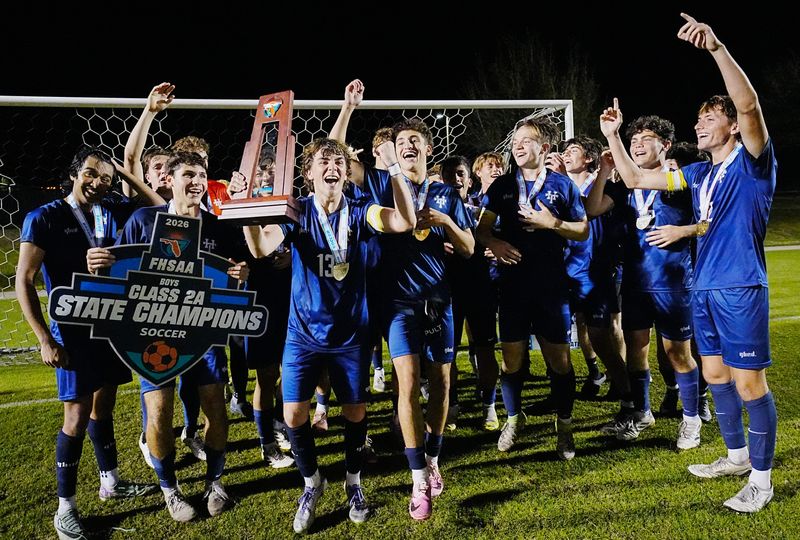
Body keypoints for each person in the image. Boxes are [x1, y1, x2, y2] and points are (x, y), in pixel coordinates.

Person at [599, 13, 778, 512]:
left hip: (740, 286)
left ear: (731, 127)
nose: (698, 123)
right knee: (716, 376)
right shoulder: (697, 173)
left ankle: (761, 481)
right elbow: (636, 181)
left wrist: (717, 48)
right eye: (698, 117)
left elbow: (749, 105)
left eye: (708, 117)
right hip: (703, 286)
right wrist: (613, 137)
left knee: (748, 383)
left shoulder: (753, 160)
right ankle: (736, 456)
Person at [244, 137, 416, 533]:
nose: (333, 166)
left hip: (350, 335)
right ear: (309, 174)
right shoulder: (296, 211)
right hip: (302, 334)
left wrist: (393, 169)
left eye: (338, 160)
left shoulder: (361, 210)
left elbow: (405, 221)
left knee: (355, 412)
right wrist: (249, 212)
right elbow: (261, 247)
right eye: (324, 161)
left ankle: (353, 483)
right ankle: (311, 482)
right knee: (292, 414)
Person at [331, 79, 475, 521]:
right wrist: (348, 108)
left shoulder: (447, 193)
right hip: (395, 303)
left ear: (428, 150)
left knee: (443, 383)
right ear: (392, 151)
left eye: (415, 140)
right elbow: (333, 159)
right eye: (400, 142)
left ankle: (433, 456)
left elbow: (469, 248)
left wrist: (448, 222)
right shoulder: (378, 181)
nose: (407, 145)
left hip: (439, 301)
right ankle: (417, 478)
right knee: (408, 383)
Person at [87, 151, 249, 521]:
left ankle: (215, 482)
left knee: (215, 407)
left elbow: (239, 269)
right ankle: (170, 490)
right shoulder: (145, 220)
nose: (195, 181)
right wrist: (98, 262)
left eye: (202, 174)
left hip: (203, 335)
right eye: (188, 174)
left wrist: (242, 272)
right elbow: (116, 266)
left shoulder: (217, 227)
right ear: (170, 181)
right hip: (151, 336)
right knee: (159, 413)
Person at [17, 146, 163, 540]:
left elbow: (160, 207)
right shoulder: (44, 217)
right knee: (76, 417)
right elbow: (24, 280)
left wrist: (126, 175)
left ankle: (110, 481)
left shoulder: (114, 208)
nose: (98, 183)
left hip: (110, 325)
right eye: (91, 174)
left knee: (105, 407)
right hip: (71, 331)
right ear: (74, 173)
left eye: (105, 178)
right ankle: (65, 509)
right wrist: (44, 338)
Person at [476, 117, 589, 460]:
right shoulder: (502, 186)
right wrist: (493, 243)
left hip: (551, 287)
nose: (518, 145)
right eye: (515, 139)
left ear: (544, 148)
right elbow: (481, 230)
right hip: (512, 286)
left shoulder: (563, 186)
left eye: (527, 140)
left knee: (559, 360)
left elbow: (582, 230)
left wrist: (552, 223)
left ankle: (565, 426)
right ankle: (514, 418)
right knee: (511, 361)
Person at [588, 114, 703, 450]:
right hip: (636, 283)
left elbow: (710, 221)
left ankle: (692, 418)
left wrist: (683, 230)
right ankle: (642, 413)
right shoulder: (625, 185)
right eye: (633, 139)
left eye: (645, 138)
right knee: (636, 350)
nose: (637, 144)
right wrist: (607, 170)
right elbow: (593, 208)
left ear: (665, 145)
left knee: (677, 354)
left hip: (673, 282)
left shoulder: (680, 180)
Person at [560, 136, 627, 401]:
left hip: (596, 271)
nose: (565, 154)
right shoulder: (558, 187)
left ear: (589, 158)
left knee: (607, 331)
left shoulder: (609, 187)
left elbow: (589, 210)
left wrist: (603, 172)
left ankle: (624, 387)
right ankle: (588, 379)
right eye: (564, 151)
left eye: (573, 150)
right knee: (570, 330)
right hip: (565, 269)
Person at [440, 155, 499, 431]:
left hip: (479, 287)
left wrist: (493, 247)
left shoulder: (483, 207)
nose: (456, 179)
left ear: (470, 178)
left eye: (460, 174)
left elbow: (493, 238)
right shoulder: (434, 209)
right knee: (447, 353)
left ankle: (489, 406)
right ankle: (451, 405)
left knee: (485, 349)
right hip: (447, 289)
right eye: (449, 175)